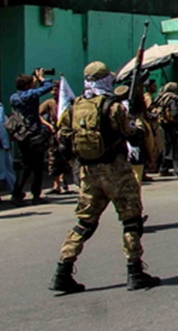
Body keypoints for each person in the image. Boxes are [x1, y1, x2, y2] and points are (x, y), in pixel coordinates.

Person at [50, 61, 159, 293]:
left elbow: (63, 139)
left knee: (85, 223)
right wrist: (136, 123)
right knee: (131, 220)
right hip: (116, 172)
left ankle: (62, 270)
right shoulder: (113, 107)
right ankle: (135, 271)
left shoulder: (74, 107)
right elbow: (133, 136)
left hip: (88, 173)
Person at [10, 69, 55, 205]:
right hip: (34, 134)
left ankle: (17, 194)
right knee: (37, 166)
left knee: (25, 165)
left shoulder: (14, 97)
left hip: (22, 134)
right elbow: (47, 87)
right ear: (26, 85)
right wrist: (41, 78)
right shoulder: (29, 95)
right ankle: (35, 195)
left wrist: (33, 82)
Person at [153, 82, 178, 178]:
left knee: (167, 147)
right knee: (176, 148)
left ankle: (163, 169)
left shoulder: (162, 98)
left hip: (165, 125)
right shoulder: (173, 99)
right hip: (174, 126)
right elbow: (175, 112)